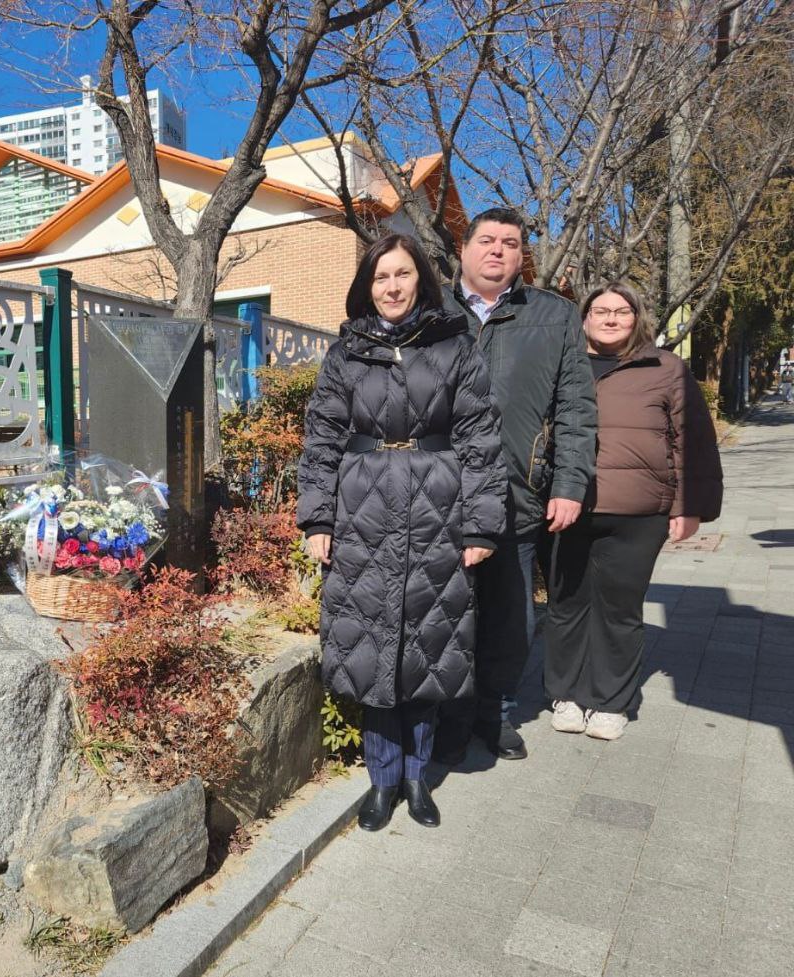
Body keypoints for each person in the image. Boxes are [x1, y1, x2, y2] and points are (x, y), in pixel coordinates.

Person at [298, 234, 506, 831]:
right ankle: (382, 780)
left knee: (426, 644)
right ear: (368, 286)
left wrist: (481, 525)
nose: (392, 287)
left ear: (422, 279)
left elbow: (481, 441)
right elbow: (322, 439)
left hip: (437, 511)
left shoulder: (454, 346)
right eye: (380, 277)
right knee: (372, 648)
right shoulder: (346, 353)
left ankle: (418, 779)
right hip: (362, 512)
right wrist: (317, 517)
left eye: (402, 274)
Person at [435, 208, 597, 764]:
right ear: (463, 249)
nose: (498, 250)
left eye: (510, 242)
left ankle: (496, 713)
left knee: (511, 620)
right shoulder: (431, 311)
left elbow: (576, 407)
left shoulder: (555, 315)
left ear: (522, 254)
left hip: (517, 495)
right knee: (444, 615)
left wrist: (569, 482)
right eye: (486, 240)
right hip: (436, 495)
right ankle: (451, 717)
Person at [545, 282, 723, 740]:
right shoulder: (561, 362)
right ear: (584, 318)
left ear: (637, 318)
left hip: (639, 513)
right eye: (600, 310)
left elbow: (692, 439)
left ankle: (610, 702)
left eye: (621, 311)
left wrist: (689, 507)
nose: (610, 318)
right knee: (566, 605)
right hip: (567, 506)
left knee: (619, 609)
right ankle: (566, 693)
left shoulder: (665, 368)